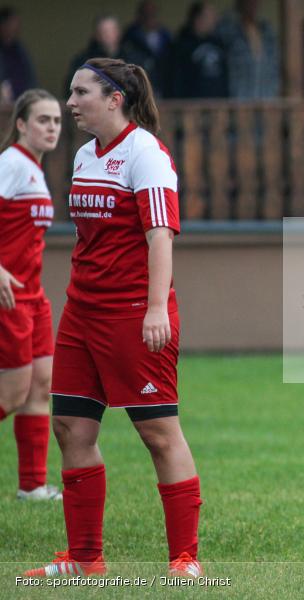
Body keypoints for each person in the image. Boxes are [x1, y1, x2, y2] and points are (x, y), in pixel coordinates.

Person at [24, 58, 202, 579]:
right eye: (70, 93)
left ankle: (185, 560)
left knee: (159, 434)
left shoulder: (146, 153)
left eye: (80, 93)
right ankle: (85, 560)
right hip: (82, 313)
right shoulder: (85, 155)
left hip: (133, 315)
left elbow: (159, 235)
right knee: (70, 428)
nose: (70, 103)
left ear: (114, 99)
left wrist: (155, 307)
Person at [0, 89, 61, 501]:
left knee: (41, 386)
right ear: (21, 124)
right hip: (9, 298)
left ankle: (33, 486)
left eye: (56, 121)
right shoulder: (10, 164)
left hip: (33, 297)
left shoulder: (33, 168)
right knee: (12, 392)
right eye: (43, 120)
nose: (52, 128)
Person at [217, 0, 280, 98]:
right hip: (239, 98)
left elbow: (274, 67)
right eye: (249, 2)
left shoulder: (266, 31)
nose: (253, 5)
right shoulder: (229, 30)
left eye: (255, 2)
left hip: (266, 98)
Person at [165, 1, 229, 99]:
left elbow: (225, 76)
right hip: (190, 104)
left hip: (218, 104)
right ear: (198, 19)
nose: (215, 20)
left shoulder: (219, 44)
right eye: (210, 16)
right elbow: (175, 80)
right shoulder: (181, 45)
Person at [65, 15, 125, 97]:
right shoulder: (84, 61)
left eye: (111, 31)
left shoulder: (132, 58)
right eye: (103, 32)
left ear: (118, 32)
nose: (107, 35)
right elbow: (71, 87)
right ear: (96, 35)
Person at [121, 0, 172, 95]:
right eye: (146, 14)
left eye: (153, 14)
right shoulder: (130, 35)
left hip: (162, 83)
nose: (149, 18)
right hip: (139, 84)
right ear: (139, 15)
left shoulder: (165, 35)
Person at [0, 8, 37, 99]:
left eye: (17, 25)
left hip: (23, 100)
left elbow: (30, 77)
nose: (16, 29)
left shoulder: (20, 50)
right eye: (11, 24)